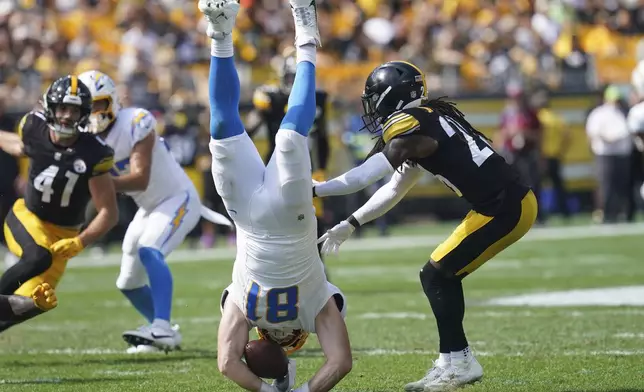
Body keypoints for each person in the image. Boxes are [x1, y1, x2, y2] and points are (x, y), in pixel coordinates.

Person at [314, 61, 538, 391]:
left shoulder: (411, 128)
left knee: (436, 275)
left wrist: (316, 188)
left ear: (392, 97)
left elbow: (365, 176)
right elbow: (394, 189)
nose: (372, 105)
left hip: (506, 208)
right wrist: (351, 222)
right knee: (437, 275)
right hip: (498, 205)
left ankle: (459, 362)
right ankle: (453, 361)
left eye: (375, 97)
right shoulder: (428, 121)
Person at [199, 0, 352, 391]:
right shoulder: (316, 305)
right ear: (299, 337)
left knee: (220, 126)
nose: (280, 338)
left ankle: (220, 32)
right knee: (287, 137)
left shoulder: (241, 305)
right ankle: (306, 39)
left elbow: (226, 362)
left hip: (246, 219)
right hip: (289, 219)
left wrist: (269, 390)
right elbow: (340, 361)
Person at [77, 70, 232, 353]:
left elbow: (140, 178)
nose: (92, 113)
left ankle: (160, 326)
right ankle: (166, 333)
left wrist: (94, 181)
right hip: (148, 207)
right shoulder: (85, 139)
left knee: (150, 249)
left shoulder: (136, 121)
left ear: (111, 102)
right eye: (86, 107)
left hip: (177, 198)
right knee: (128, 282)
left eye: (97, 104)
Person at [0, 75, 118, 332]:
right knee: (38, 257)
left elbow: (108, 212)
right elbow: (20, 147)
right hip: (27, 217)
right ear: (51, 107)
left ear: (84, 114)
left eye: (73, 110)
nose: (66, 116)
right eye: (62, 108)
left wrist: (80, 242)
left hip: (63, 237)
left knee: (30, 303)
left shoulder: (95, 152)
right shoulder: (33, 126)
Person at [249, 47, 331, 276]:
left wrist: (323, 166)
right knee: (274, 218)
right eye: (292, 78)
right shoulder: (270, 97)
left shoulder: (320, 98)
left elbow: (322, 135)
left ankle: (317, 265)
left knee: (313, 219)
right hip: (275, 167)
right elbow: (250, 129)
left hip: (308, 166)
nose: (296, 84)